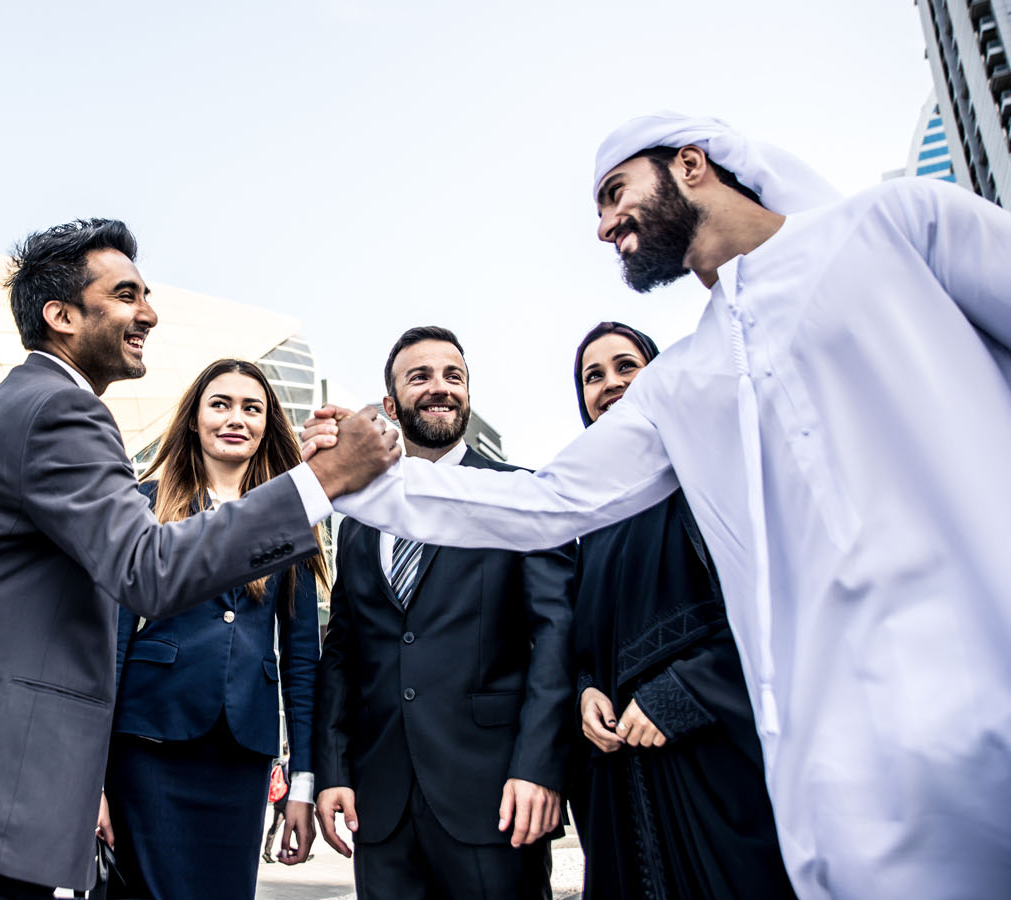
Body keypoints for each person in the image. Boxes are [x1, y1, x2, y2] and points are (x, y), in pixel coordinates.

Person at [307, 113, 1011, 899]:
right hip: (846, 770)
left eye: (614, 193)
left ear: (690, 162)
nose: (605, 225)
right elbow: (549, 502)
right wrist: (364, 482)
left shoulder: (900, 225)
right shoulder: (684, 381)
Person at [0, 219, 398, 900]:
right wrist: (324, 480)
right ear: (62, 315)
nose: (150, 313)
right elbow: (149, 568)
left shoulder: (34, 405)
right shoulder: (58, 412)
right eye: (127, 294)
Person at [313, 327, 575, 900]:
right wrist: (333, 771)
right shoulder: (359, 520)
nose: (440, 389)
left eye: (453, 376)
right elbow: (343, 653)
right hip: (381, 811)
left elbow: (556, 638)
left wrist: (540, 766)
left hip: (498, 798)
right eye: (420, 377)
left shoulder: (521, 494)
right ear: (390, 405)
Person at [567, 321, 793, 899]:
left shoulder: (710, 476)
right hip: (623, 783)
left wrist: (680, 693)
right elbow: (585, 637)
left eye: (626, 366)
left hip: (714, 768)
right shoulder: (590, 515)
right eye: (593, 377)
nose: (610, 383)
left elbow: (771, 609)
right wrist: (587, 689)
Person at [105, 358, 328, 900]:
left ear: (267, 424)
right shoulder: (144, 503)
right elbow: (109, 641)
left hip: (241, 754)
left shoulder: (288, 519)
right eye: (220, 404)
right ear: (194, 419)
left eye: (252, 408)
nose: (236, 418)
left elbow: (302, 661)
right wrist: (90, 777)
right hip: (147, 745)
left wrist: (301, 781)